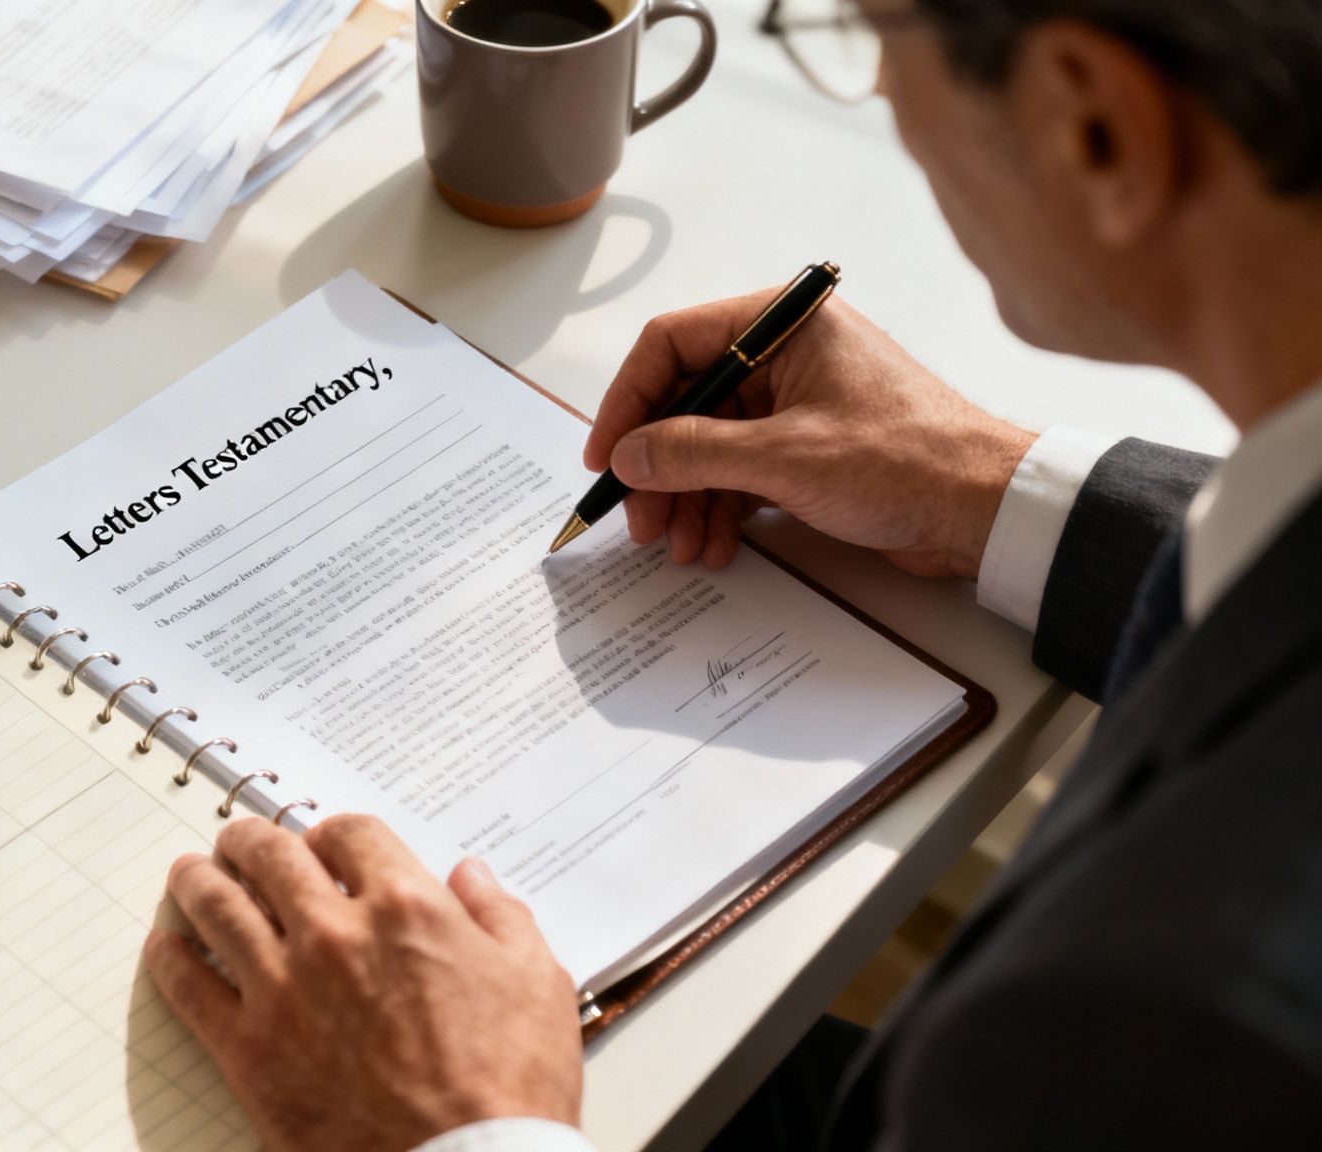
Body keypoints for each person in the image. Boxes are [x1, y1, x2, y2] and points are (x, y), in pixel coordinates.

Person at [140, 0, 1322, 1149]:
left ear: (1093, 126)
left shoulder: (1190, 1023)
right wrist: (979, 490)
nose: (878, 97)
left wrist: (457, 1130)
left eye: (872, 32)